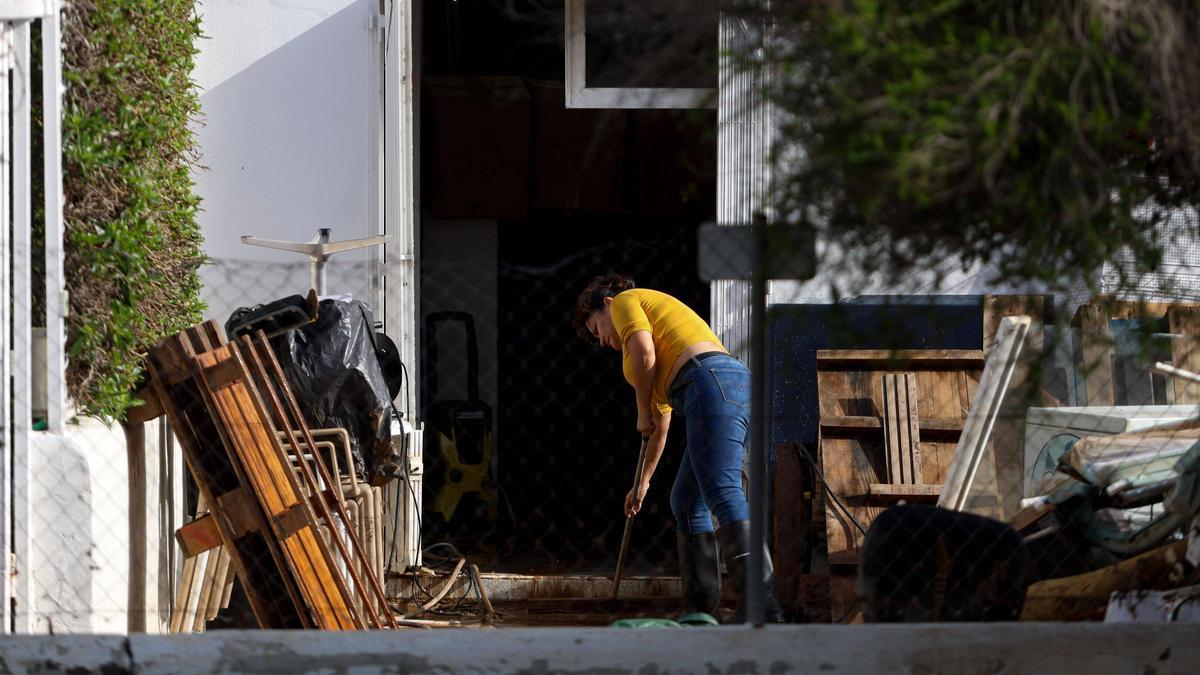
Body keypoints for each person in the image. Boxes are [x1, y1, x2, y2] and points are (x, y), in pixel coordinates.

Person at [573, 274, 782, 623]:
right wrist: (642, 483)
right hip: (726, 385)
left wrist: (640, 410)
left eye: (597, 329)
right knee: (685, 500)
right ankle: (701, 610)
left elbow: (644, 353)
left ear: (606, 304)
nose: (602, 341)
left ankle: (763, 608)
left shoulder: (625, 301)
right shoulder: (658, 348)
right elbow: (661, 424)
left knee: (722, 489)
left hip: (709, 380)